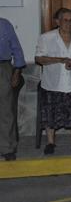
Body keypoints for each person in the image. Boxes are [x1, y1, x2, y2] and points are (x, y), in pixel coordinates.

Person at [34, 8, 71, 155]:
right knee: (50, 113)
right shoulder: (46, 38)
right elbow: (39, 58)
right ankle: (51, 143)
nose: (68, 23)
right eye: (65, 20)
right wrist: (61, 60)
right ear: (57, 21)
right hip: (52, 84)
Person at [0, 17, 26, 161]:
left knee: (5, 110)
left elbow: (16, 49)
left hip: (3, 68)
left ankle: (7, 148)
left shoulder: (4, 24)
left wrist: (17, 71)